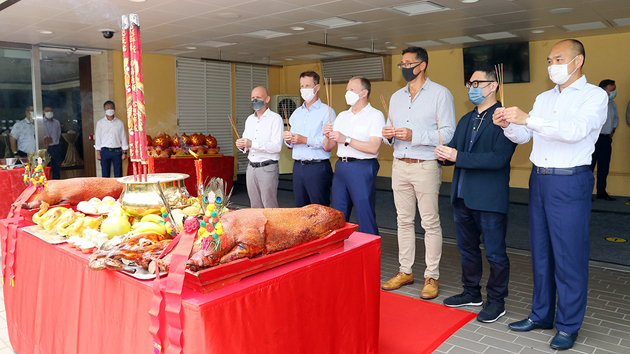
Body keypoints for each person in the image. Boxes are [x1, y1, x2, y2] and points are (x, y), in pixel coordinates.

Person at [492, 39, 607, 350]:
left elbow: (574, 131)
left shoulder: (594, 96)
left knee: (569, 256)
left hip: (570, 181)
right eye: (548, 60)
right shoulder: (543, 98)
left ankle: (569, 325)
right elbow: (526, 135)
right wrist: (508, 125)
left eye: (558, 58)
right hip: (539, 179)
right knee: (540, 252)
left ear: (578, 60)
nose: (551, 65)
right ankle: (541, 313)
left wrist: (527, 118)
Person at [435, 67, 517, 323]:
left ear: (493, 86)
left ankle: (496, 301)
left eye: (476, 82)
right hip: (461, 196)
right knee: (467, 250)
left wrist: (458, 156)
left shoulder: (505, 118)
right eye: (469, 83)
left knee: (495, 254)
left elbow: (499, 159)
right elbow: (456, 153)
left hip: (489, 198)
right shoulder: (466, 119)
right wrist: (444, 156)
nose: (471, 87)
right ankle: (471, 292)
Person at [380, 47, 456, 300]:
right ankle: (405, 271)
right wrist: (387, 135)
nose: (403, 67)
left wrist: (417, 136)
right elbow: (390, 130)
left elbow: (448, 133)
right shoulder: (396, 97)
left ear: (422, 65)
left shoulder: (440, 94)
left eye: (408, 63)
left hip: (425, 165)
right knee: (403, 221)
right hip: (399, 164)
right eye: (401, 63)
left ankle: (431, 275)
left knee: (430, 222)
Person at [323, 77, 384, 235]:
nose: (347, 93)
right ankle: (340, 253)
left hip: (362, 167)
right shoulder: (342, 116)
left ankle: (369, 254)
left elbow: (374, 147)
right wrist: (327, 135)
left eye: (352, 90)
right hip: (341, 167)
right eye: (347, 90)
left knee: (365, 214)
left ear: (364, 93)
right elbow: (328, 146)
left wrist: (346, 139)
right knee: (338, 214)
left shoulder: (375, 115)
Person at [283, 71, 335, 207]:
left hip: (317, 167)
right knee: (300, 209)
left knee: (319, 209)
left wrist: (305, 140)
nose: (304, 89)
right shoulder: (296, 113)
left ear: (317, 88)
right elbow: (292, 143)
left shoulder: (327, 111)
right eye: (301, 86)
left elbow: (328, 142)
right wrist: (288, 138)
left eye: (307, 86)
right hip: (298, 166)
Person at [236, 86, 283, 208]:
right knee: (254, 206)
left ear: (267, 99)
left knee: (269, 204)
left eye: (258, 97)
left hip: (267, 167)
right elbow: (246, 144)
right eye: (252, 98)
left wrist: (252, 144)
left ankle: (273, 228)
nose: (255, 100)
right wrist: (241, 145)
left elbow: (277, 146)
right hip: (251, 167)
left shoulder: (275, 119)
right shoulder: (249, 120)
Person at [590, 79, 618, 201]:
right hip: (594, 140)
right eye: (612, 90)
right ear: (603, 90)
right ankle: (587, 193)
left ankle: (601, 192)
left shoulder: (612, 104)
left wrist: (613, 131)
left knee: (604, 167)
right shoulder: (594, 103)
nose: (614, 92)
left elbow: (616, 119)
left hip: (607, 139)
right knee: (589, 167)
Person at [94, 101, 128, 178]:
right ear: (104, 110)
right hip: (105, 151)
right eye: (107, 108)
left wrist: (124, 152)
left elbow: (123, 137)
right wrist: (98, 153)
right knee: (105, 173)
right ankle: (106, 189)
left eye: (111, 108)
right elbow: (98, 138)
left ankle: (119, 189)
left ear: (114, 109)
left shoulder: (119, 123)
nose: (109, 110)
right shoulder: (100, 123)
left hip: (117, 151)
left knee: (118, 173)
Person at [43, 106, 63, 180]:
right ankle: (46, 182)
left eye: (51, 111)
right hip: (45, 148)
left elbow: (59, 134)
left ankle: (57, 182)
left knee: (56, 166)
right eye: (47, 110)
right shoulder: (40, 122)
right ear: (43, 112)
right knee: (46, 166)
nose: (49, 112)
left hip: (55, 146)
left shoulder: (57, 122)